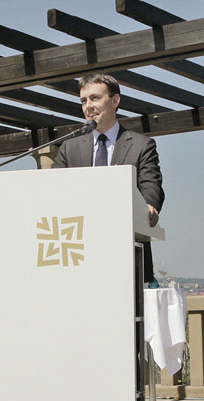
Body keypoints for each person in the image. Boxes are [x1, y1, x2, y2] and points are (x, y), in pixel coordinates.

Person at [52, 72, 164, 284]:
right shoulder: (70, 147)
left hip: (127, 256)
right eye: (83, 101)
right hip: (77, 257)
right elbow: (53, 191)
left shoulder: (141, 145)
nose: (88, 106)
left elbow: (151, 185)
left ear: (115, 101)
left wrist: (148, 205)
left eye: (95, 98)